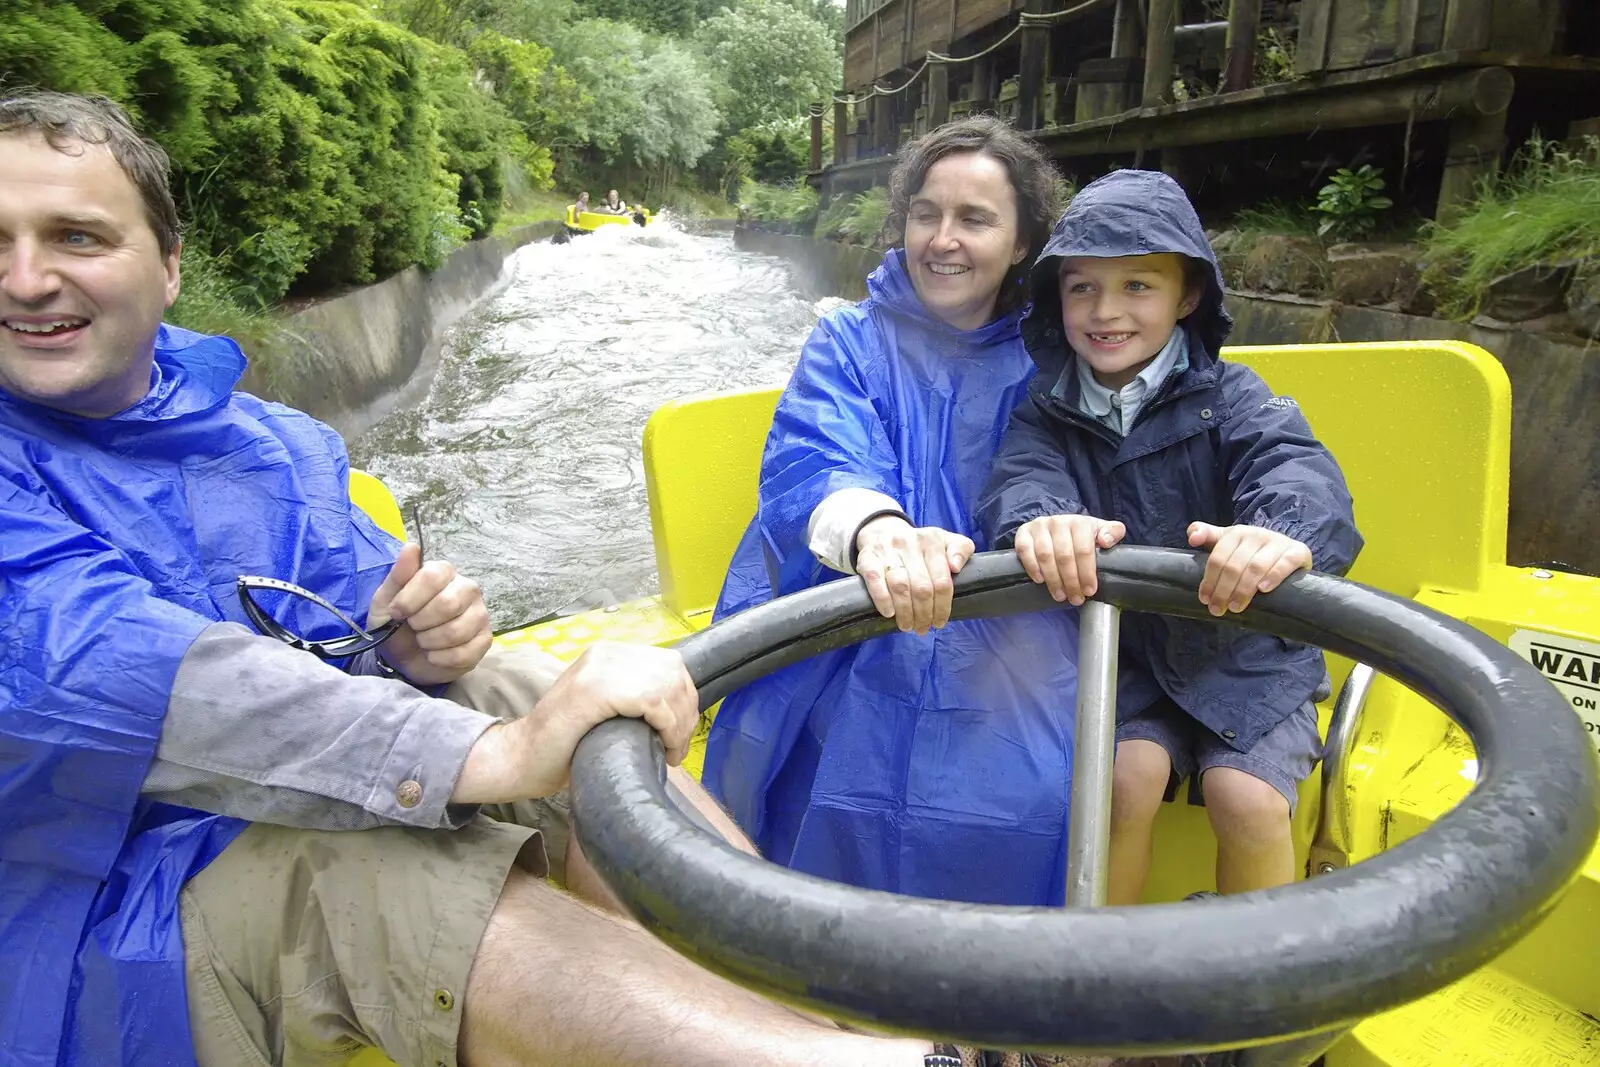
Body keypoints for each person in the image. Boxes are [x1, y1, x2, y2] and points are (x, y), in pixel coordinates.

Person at [0, 90, 958, 1067]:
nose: (27, 278)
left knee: (536, 698)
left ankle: (817, 1027)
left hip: (281, 804)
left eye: (74, 236)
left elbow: (353, 628)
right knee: (372, 860)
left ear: (167, 269)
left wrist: (413, 639)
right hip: (92, 909)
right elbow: (116, 671)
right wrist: (494, 755)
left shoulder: (273, 445)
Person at [703, 116, 1082, 907]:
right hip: (858, 608)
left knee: (1034, 775)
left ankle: (996, 992)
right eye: (926, 213)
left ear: (1021, 243)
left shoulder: (1053, 358)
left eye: (975, 219)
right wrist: (880, 534)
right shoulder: (848, 339)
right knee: (829, 747)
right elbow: (818, 454)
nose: (942, 239)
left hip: (1012, 620)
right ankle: (817, 989)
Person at [979, 169, 1363, 904]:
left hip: (1242, 649)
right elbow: (1021, 481)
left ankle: (1249, 980)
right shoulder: (1043, 411)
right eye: (1082, 287)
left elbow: (1298, 470)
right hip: (1123, 650)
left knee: (1245, 799)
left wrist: (1275, 535)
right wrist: (1041, 521)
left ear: (1187, 296)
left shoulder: (1236, 397)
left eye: (1138, 287)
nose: (1106, 311)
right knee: (1123, 783)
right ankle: (1101, 963)